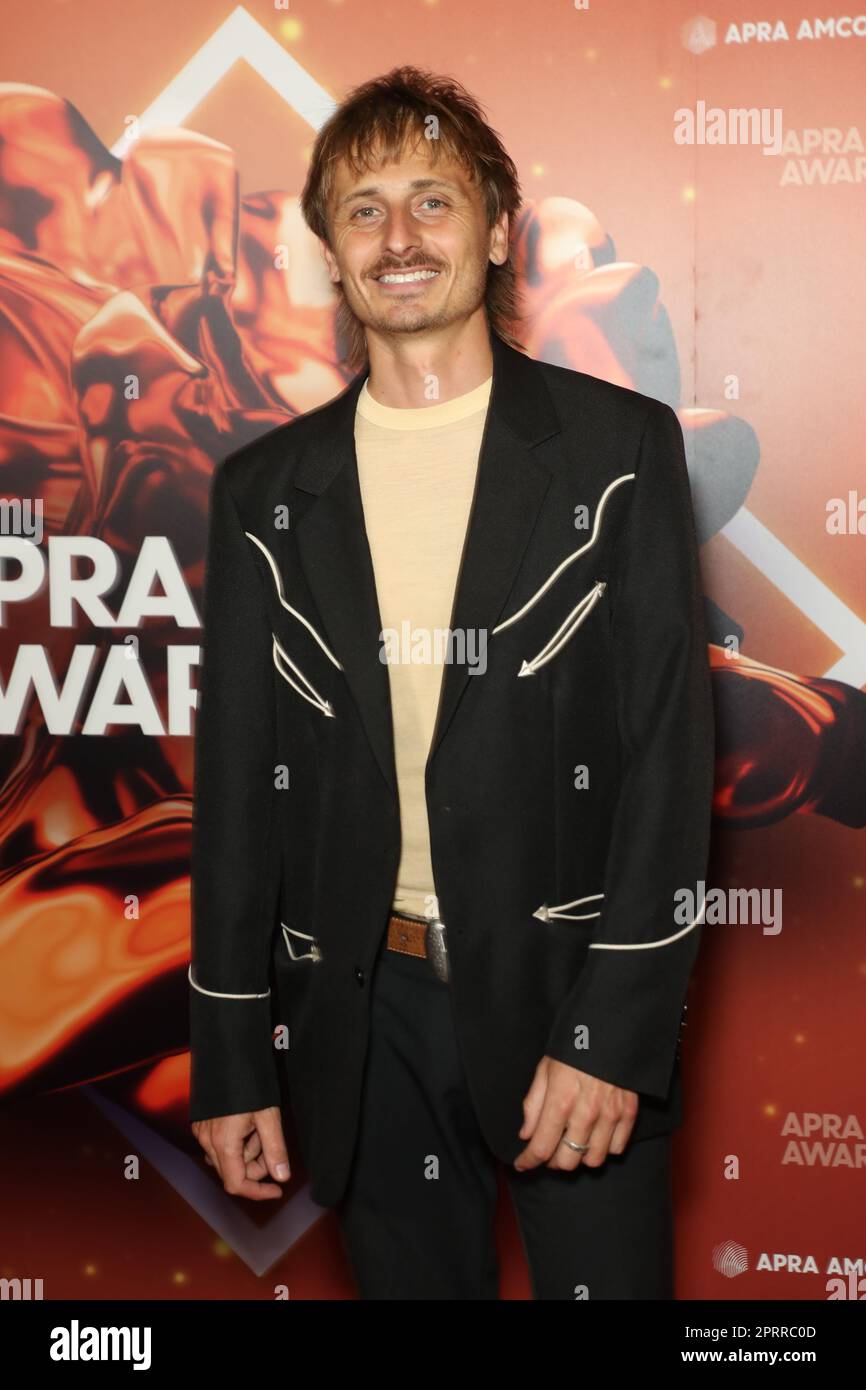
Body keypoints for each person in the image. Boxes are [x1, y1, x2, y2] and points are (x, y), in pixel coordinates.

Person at [188, 65, 715, 1300]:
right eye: (363, 209)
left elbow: (664, 763)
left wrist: (611, 1035)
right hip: (363, 1025)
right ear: (329, 250)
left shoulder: (618, 450)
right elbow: (238, 801)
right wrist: (231, 1058)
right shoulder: (263, 491)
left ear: (494, 230)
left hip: (565, 997)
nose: (400, 236)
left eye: (433, 199)